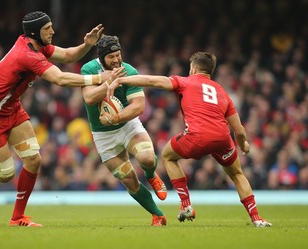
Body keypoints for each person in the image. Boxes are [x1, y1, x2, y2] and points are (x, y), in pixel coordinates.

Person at [0, 11, 123, 227]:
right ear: (34, 32)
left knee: (34, 159)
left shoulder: (35, 46)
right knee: (5, 174)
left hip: (12, 109)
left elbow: (68, 56)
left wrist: (87, 45)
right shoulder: (27, 55)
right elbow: (59, 78)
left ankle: (17, 218)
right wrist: (99, 78)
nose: (53, 31)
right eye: (48, 28)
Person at [107, 51, 272, 228]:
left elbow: (153, 81)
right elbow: (239, 130)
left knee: (168, 156)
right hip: (223, 139)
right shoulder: (222, 92)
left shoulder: (185, 81)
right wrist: (244, 145)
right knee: (238, 175)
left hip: (197, 136)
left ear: (193, 68)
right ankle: (257, 218)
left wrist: (121, 80)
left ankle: (186, 205)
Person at [80, 35, 167, 226]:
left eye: (118, 55)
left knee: (146, 158)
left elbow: (139, 106)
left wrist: (116, 117)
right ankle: (157, 215)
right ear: (102, 58)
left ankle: (152, 175)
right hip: (103, 135)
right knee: (129, 179)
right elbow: (89, 98)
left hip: (128, 125)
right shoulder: (89, 70)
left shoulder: (129, 71)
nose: (117, 60)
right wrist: (108, 83)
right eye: (111, 57)